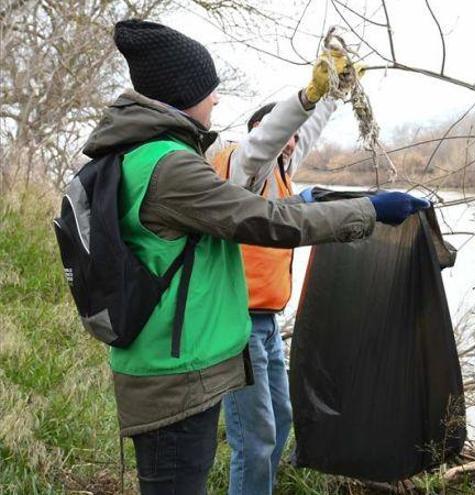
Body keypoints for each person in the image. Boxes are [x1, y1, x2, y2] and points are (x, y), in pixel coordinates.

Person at [87, 19, 428, 494]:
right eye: (211, 90)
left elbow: (279, 180)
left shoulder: (151, 156)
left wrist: (329, 97)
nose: (217, 100)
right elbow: (266, 218)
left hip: (191, 356)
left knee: (268, 427)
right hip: (178, 370)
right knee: (247, 442)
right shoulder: (185, 165)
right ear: (184, 93)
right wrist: (368, 208)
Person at [206, 54, 351, 494]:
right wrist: (306, 97)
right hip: (238, 321)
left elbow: (298, 136)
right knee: (255, 436)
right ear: (260, 135)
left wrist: (333, 94)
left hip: (265, 323)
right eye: (280, 138)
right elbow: (268, 142)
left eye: (291, 141)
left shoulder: (282, 173)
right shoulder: (246, 171)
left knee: (281, 420)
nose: (289, 145)